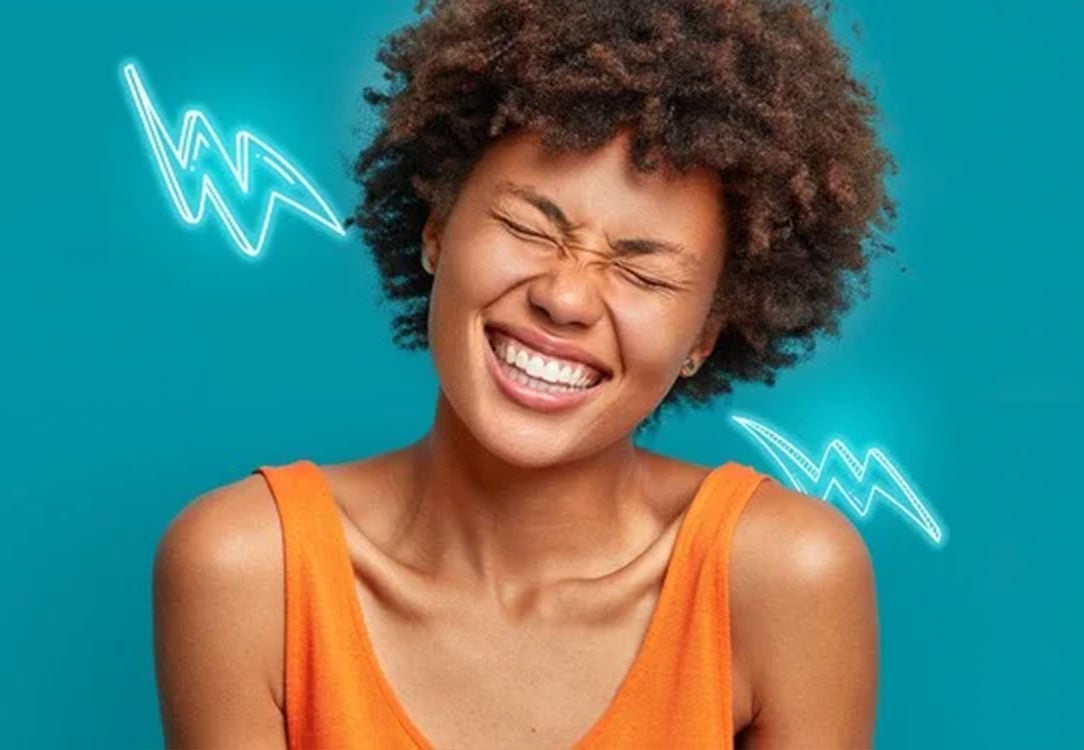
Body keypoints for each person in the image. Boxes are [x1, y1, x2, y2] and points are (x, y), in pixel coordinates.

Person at [152, 0, 892, 746]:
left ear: (705, 336)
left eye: (642, 275)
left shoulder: (781, 579)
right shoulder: (250, 571)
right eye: (528, 227)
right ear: (436, 228)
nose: (565, 298)